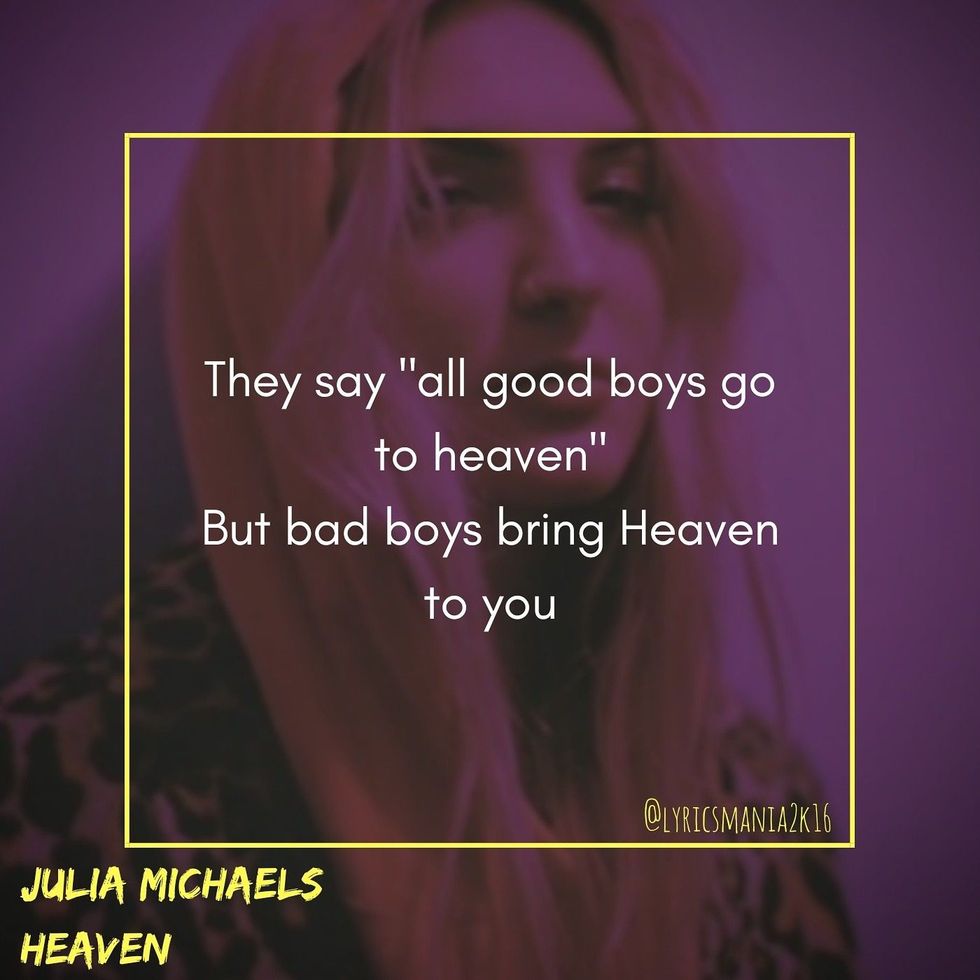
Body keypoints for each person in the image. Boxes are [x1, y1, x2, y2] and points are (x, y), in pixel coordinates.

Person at [1, 1, 855, 977]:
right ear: (283, 272)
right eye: (446, 195)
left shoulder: (743, 797)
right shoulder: (86, 800)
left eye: (619, 195)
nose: (571, 270)